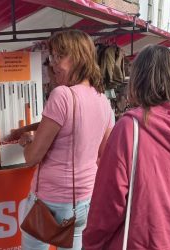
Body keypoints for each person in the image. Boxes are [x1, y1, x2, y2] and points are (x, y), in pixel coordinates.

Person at [83, 45, 170, 249]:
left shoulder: (130, 127)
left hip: (143, 238)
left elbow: (109, 200)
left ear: (138, 77)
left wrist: (91, 241)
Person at [18, 29, 113, 249]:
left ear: (78, 56)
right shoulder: (103, 100)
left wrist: (27, 142)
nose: (53, 64)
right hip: (84, 200)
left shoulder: (62, 95)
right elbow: (104, 155)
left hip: (50, 200)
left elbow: (32, 158)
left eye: (60, 56)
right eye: (53, 57)